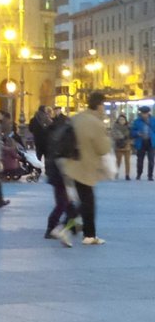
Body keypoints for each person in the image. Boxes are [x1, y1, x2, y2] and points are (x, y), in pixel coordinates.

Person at [62, 91, 115, 245]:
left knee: (84, 200)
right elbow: (103, 148)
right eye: (103, 105)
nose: (104, 108)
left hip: (72, 164)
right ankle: (81, 233)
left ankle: (79, 230)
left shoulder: (77, 118)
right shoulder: (96, 122)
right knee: (87, 202)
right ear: (99, 105)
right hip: (86, 167)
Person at [44, 112, 76, 247]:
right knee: (65, 203)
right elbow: (70, 152)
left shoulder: (54, 133)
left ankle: (71, 227)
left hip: (54, 170)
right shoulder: (67, 133)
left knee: (66, 203)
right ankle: (53, 228)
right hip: (63, 171)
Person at [132, 106, 154, 181]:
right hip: (140, 142)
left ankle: (150, 175)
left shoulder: (153, 120)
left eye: (145, 113)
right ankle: (139, 174)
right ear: (140, 113)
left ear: (148, 113)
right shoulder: (136, 121)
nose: (144, 115)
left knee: (151, 160)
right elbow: (132, 132)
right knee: (140, 160)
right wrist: (137, 133)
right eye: (142, 113)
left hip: (151, 142)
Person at [112, 113, 133, 180]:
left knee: (127, 161)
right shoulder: (115, 127)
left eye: (123, 119)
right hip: (118, 146)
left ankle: (127, 175)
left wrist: (129, 141)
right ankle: (116, 173)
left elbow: (131, 136)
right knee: (118, 161)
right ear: (118, 120)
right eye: (120, 119)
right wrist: (120, 137)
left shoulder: (129, 127)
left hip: (127, 146)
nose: (122, 121)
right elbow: (113, 135)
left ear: (125, 120)